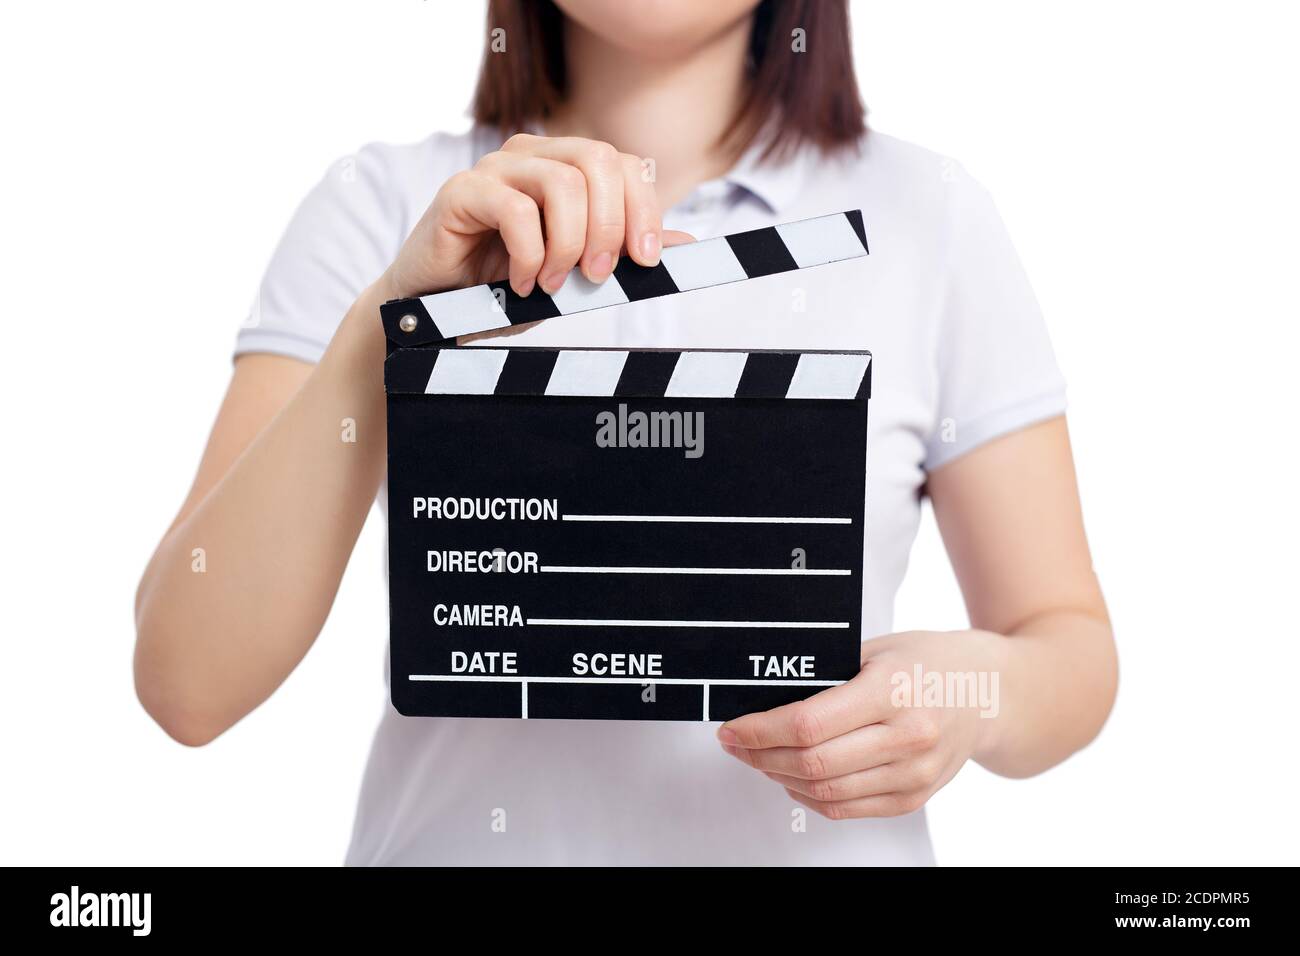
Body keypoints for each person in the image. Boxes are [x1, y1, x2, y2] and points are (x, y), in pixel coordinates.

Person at [134, 0, 1117, 865]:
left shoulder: (926, 218)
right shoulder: (382, 208)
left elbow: (1068, 646)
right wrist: (389, 326)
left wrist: (964, 692)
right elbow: (188, 681)